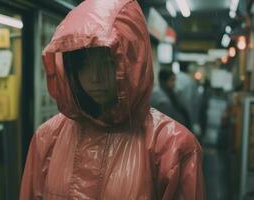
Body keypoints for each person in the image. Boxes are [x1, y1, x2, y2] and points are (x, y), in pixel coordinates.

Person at [20, 0, 205, 199]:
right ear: (71, 69)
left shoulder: (172, 146)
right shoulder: (47, 138)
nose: (95, 77)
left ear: (133, 61)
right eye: (84, 64)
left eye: (108, 62)